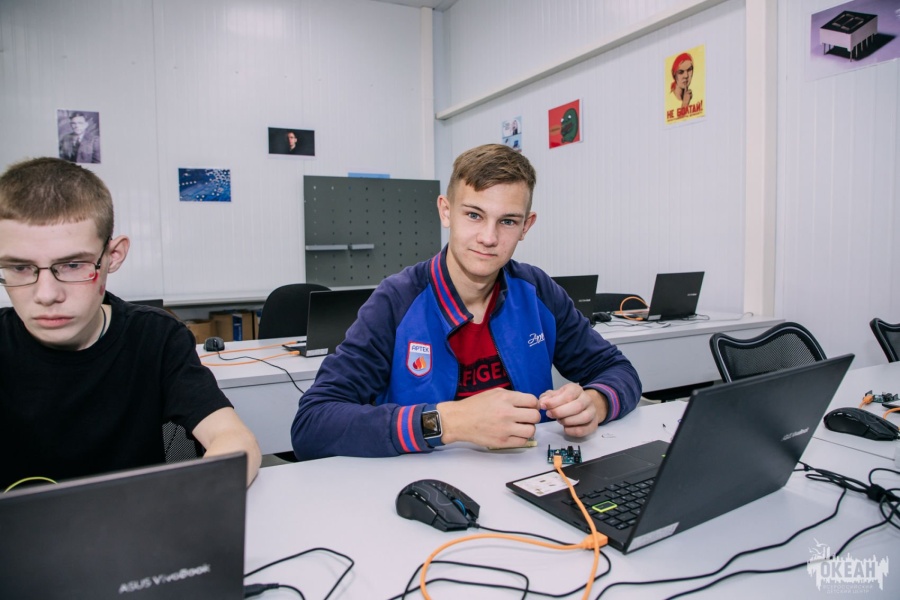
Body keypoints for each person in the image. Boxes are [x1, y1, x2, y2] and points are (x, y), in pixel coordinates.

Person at [291, 144, 641, 460]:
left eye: (507, 221)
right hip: (424, 489)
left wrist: (596, 403)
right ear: (446, 212)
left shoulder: (537, 291)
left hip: (527, 478)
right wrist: (448, 421)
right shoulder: (396, 301)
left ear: (526, 226)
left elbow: (619, 371)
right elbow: (312, 425)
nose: (488, 238)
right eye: (474, 215)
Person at [0, 157, 261, 488]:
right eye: (20, 268)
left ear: (113, 256)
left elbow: (235, 441)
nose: (47, 294)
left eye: (73, 265)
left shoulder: (155, 338)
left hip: (143, 518)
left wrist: (192, 503)